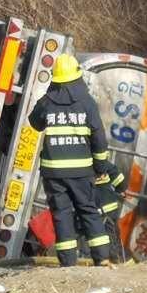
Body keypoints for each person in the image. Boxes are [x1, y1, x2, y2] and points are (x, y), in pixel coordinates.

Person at [28, 54, 112, 267]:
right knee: (88, 211)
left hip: (54, 173)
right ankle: (102, 259)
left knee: (61, 215)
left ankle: (68, 264)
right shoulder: (87, 103)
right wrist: (101, 166)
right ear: (77, 76)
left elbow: (34, 123)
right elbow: (99, 137)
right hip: (82, 173)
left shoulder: (48, 101)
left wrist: (50, 94)